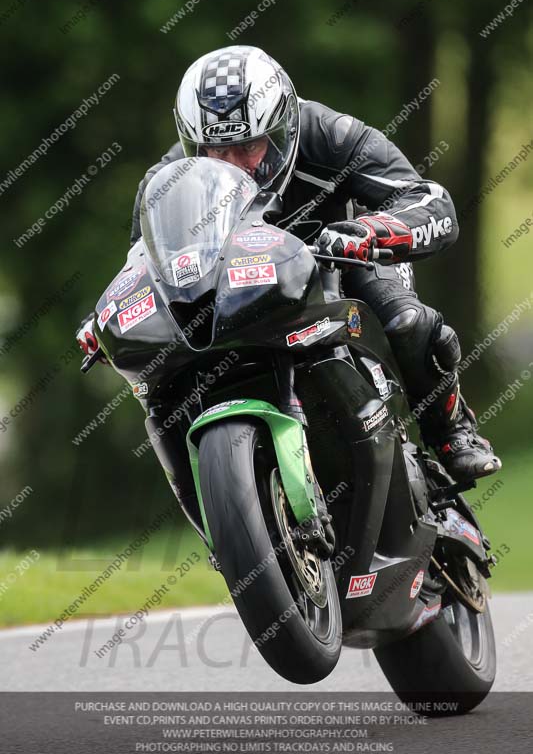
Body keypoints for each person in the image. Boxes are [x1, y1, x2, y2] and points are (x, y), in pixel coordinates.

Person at [80, 45, 501, 483]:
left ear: (281, 128)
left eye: (248, 146)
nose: (235, 165)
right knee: (163, 376)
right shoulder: (169, 179)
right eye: (217, 152)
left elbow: (429, 200)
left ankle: (452, 432)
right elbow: (145, 261)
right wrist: (104, 320)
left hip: (341, 257)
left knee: (407, 319)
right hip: (244, 286)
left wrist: (374, 232)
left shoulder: (331, 133)